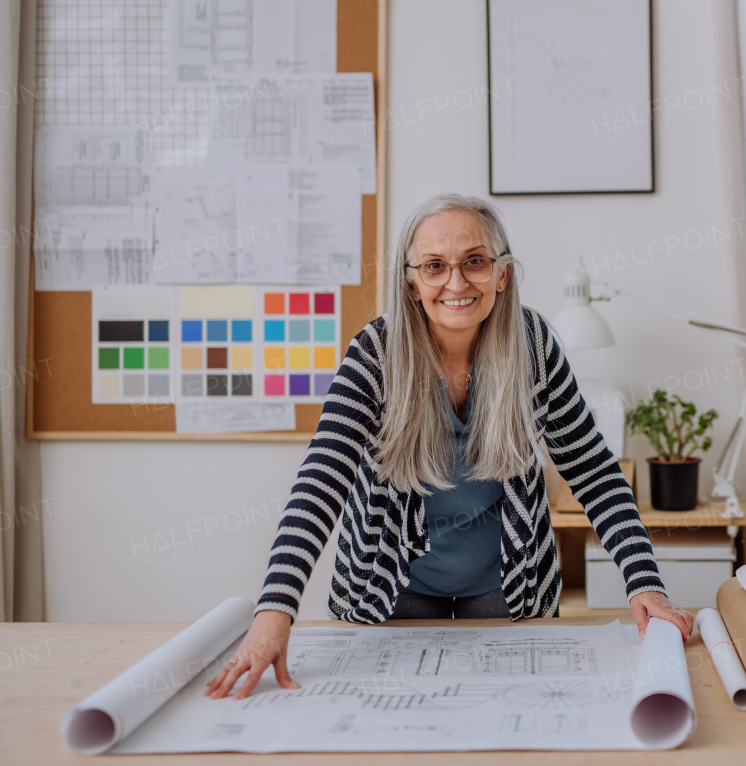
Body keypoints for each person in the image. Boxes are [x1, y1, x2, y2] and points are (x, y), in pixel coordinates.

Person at [206, 194, 693, 700]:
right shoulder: (374, 355)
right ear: (411, 281)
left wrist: (645, 584)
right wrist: (274, 613)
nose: (456, 283)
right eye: (435, 266)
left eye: (475, 262)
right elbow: (321, 481)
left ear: (502, 274)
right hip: (389, 581)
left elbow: (593, 471)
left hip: (509, 580)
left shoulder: (535, 346)